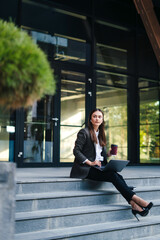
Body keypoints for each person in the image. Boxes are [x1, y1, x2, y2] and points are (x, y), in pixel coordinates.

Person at [70, 108, 153, 221]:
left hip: (98, 166)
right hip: (86, 168)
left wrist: (108, 154)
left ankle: (135, 205)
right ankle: (137, 200)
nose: (97, 118)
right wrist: (90, 162)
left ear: (102, 119)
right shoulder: (84, 132)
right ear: (90, 119)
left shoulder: (101, 134)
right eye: (94, 116)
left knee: (117, 175)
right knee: (113, 176)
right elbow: (76, 151)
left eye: (99, 116)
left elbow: (100, 155)